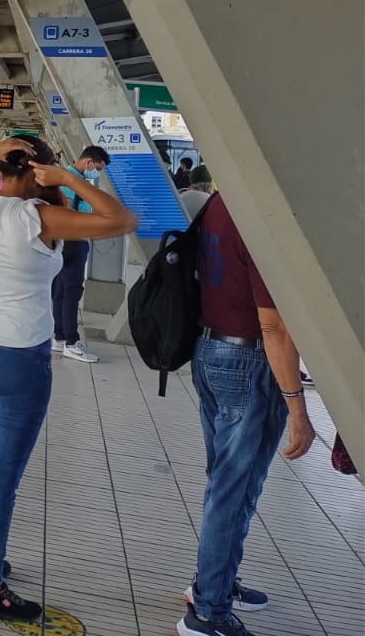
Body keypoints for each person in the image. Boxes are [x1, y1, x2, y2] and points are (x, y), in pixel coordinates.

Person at [0, 135, 136, 622]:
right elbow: (122, 220)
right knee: (2, 475)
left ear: (0, 169)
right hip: (17, 357)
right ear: (39, 172)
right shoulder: (39, 217)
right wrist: (70, 179)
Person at [177, 195, 314, 636]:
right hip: (249, 362)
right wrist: (298, 408)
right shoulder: (262, 218)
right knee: (233, 491)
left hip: (209, 351)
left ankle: (211, 584)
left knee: (225, 484)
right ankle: (208, 613)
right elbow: (273, 326)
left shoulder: (221, 201)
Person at [51, 145, 112, 363]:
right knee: (71, 291)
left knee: (60, 289)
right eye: (98, 168)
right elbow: (67, 211)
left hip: (64, 241)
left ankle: (59, 336)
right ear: (88, 162)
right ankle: (71, 341)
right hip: (73, 242)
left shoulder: (68, 178)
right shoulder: (72, 183)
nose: (98, 172)